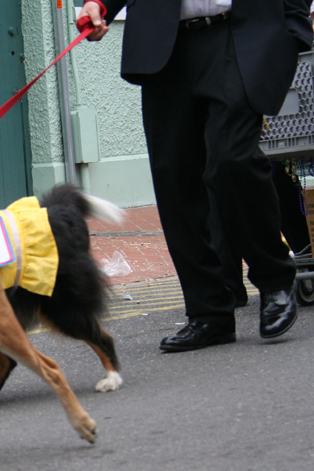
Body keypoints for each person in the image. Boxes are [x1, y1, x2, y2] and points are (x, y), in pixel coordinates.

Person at [78, 0, 312, 352]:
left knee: (231, 160)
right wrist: (100, 6)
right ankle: (209, 312)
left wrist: (292, 26)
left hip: (241, 34)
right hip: (166, 46)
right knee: (175, 179)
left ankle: (274, 279)